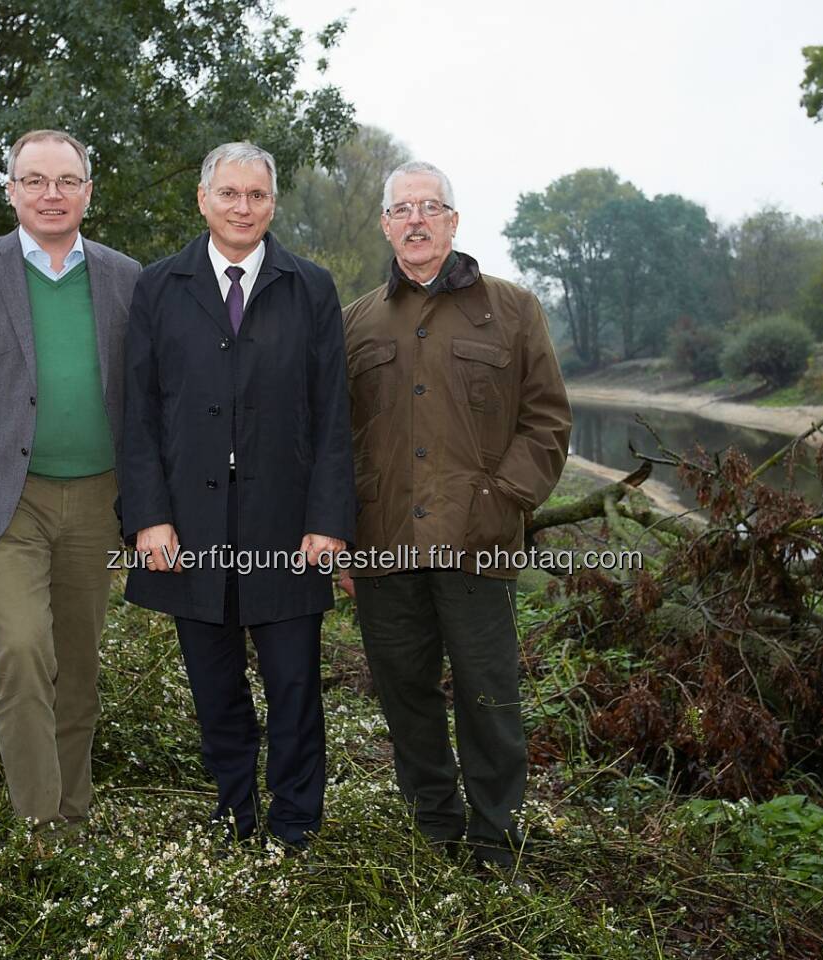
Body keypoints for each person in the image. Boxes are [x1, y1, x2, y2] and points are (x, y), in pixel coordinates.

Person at [119, 141, 355, 850]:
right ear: (203, 199)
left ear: (273, 204)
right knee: (214, 684)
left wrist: (328, 521)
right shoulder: (159, 286)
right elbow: (138, 413)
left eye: (257, 195)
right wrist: (149, 517)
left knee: (293, 684)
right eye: (229, 193)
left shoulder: (310, 287)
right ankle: (235, 811)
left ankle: (295, 821)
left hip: (286, 524)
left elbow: (333, 415)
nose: (242, 207)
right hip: (190, 525)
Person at [340, 160, 572, 867]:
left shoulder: (512, 309)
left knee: (488, 697)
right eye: (402, 209)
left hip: (479, 541)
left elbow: (547, 421)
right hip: (382, 545)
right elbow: (331, 438)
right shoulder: (354, 322)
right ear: (385, 225)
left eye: (430, 207)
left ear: (453, 220)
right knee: (405, 697)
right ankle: (434, 835)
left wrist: (501, 500)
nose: (416, 220)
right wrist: (339, 534)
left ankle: (498, 843)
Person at [0, 129, 140, 829]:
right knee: (21, 651)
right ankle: (39, 830)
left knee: (77, 664)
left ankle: (73, 817)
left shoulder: (126, 276)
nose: (52, 194)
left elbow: (147, 397)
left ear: (88, 193)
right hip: (4, 500)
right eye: (35, 180)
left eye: (67, 181)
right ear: (11, 190)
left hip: (99, 498)